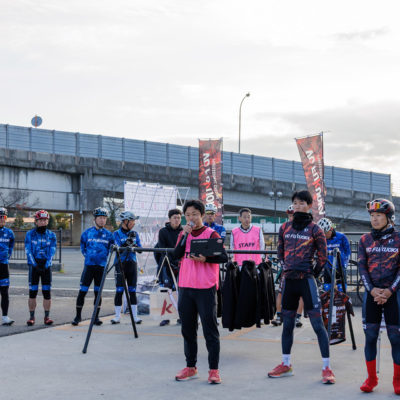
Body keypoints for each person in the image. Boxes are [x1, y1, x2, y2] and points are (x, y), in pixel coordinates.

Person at [268, 190, 335, 384]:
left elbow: (323, 256)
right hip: (289, 281)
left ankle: (327, 368)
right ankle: (286, 364)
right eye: (295, 203)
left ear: (309, 206)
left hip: (307, 281)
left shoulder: (315, 229)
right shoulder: (284, 227)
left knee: (318, 325)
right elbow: (280, 252)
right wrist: (286, 268)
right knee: (287, 325)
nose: (297, 206)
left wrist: (312, 272)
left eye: (301, 203)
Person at [173, 199, 228, 384]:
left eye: (195, 214)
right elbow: (176, 255)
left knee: (210, 330)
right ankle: (191, 367)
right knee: (188, 330)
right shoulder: (183, 234)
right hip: (186, 287)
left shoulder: (211, 234)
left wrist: (206, 259)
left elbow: (223, 257)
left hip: (205, 288)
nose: (191, 218)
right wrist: (184, 235)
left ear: (202, 215)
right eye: (187, 215)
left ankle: (214, 370)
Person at [358, 199, 400, 394]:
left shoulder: (398, 238)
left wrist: (390, 290)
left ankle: (397, 381)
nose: (374, 219)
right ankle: (371, 379)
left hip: (394, 294)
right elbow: (362, 267)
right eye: (372, 216)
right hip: (371, 294)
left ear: (389, 218)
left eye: (379, 215)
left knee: (395, 338)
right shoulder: (364, 240)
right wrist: (372, 290)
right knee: (370, 337)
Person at [72, 207, 114, 326]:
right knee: (82, 291)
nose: (102, 220)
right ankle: (78, 316)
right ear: (94, 219)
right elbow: (83, 247)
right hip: (89, 267)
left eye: (104, 218)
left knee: (98, 293)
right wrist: (89, 256)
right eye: (100, 218)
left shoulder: (109, 235)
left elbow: (111, 250)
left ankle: (95, 317)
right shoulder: (87, 233)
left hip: (101, 267)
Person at [272, 205, 304, 328]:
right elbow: (280, 248)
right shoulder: (284, 228)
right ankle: (279, 316)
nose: (291, 218)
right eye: (289, 215)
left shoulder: (304, 228)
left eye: (293, 215)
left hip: (300, 267)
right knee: (281, 292)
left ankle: (298, 317)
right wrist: (282, 263)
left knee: (301, 293)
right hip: (287, 266)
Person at [24, 210, 57, 326]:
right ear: (36, 221)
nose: (43, 222)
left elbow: (52, 251)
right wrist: (35, 265)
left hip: (46, 266)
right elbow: (28, 251)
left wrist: (46, 264)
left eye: (45, 220)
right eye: (41, 220)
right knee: (32, 292)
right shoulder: (30, 234)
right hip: (34, 266)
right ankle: (31, 317)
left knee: (46, 292)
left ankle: (47, 317)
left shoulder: (52, 235)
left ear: (47, 221)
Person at [111, 211, 142, 325]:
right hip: (120, 264)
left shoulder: (135, 234)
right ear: (125, 221)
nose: (134, 223)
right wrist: (125, 244)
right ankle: (117, 317)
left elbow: (140, 250)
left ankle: (135, 316)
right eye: (132, 221)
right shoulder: (116, 233)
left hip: (132, 264)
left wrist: (135, 245)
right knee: (119, 290)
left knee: (132, 290)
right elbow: (117, 248)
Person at [157, 208, 183, 327]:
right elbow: (162, 248)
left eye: (179, 218)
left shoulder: (183, 231)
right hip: (166, 264)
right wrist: (170, 262)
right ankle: (166, 317)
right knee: (166, 291)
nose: (177, 220)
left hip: (181, 264)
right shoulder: (163, 231)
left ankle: (181, 316)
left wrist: (178, 261)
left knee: (181, 291)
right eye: (174, 218)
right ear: (170, 219)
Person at [317, 217, 351, 292]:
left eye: (325, 233)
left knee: (341, 289)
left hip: (340, 266)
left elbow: (348, 251)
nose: (324, 235)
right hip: (328, 266)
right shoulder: (321, 239)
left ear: (331, 229)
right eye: (322, 234)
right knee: (327, 289)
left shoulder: (341, 237)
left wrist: (345, 264)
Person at [0, 207, 15, 325]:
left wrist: (6, 257)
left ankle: (5, 317)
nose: (1, 219)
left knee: (4, 292)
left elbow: (11, 247)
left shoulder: (9, 233)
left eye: (3, 217)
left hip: (4, 266)